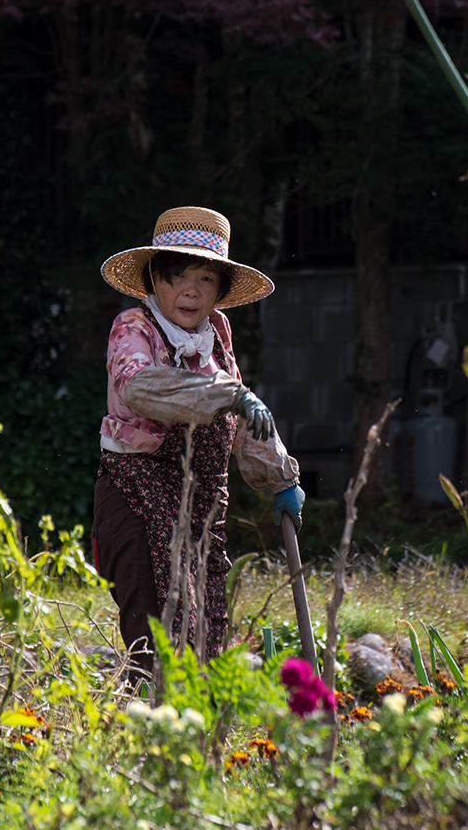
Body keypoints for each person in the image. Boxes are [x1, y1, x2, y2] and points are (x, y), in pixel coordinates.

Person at [94, 206, 305, 679]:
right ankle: (151, 746)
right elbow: (140, 388)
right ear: (154, 279)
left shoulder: (218, 334)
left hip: (203, 507)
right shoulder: (134, 328)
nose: (191, 290)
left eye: (206, 279)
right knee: (162, 644)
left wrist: (279, 476)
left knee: (206, 636)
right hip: (138, 497)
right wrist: (229, 394)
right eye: (178, 276)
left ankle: (201, 747)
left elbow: (244, 418)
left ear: (220, 290)